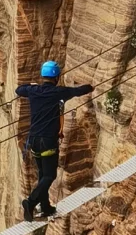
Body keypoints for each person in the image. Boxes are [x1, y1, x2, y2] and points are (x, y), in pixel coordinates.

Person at [16, 60, 93, 218]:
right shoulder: (59, 92)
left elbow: (19, 90)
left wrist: (31, 85)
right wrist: (90, 87)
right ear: (56, 77)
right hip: (48, 141)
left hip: (34, 141)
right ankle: (31, 201)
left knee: (43, 175)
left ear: (43, 76)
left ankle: (45, 207)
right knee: (50, 175)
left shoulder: (33, 90)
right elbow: (78, 91)